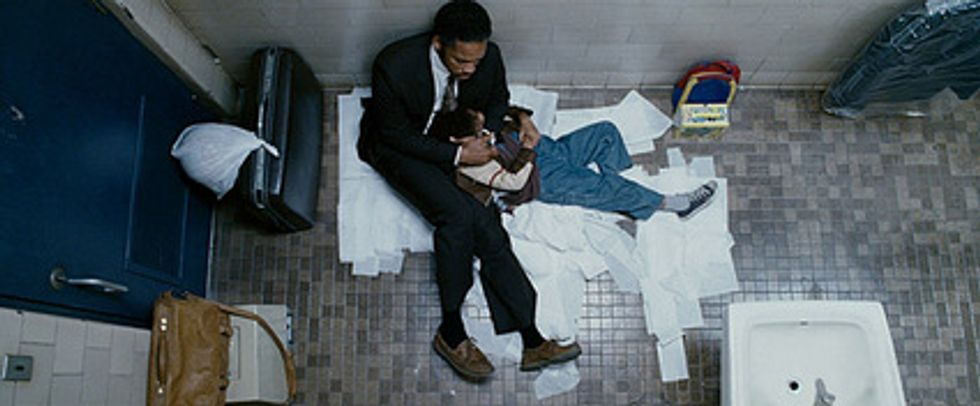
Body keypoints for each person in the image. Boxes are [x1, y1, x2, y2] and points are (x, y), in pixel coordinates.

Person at [356, 0, 580, 381]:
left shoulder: (487, 57)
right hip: (403, 148)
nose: (470, 69)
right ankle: (451, 331)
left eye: (475, 61)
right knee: (457, 216)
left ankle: (532, 337)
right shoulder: (394, 65)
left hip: (455, 137)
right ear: (438, 43)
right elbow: (393, 135)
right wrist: (459, 155)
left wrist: (486, 135)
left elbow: (496, 98)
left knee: (490, 229)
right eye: (461, 61)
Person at [427, 107, 719, 220]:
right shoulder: (471, 166)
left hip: (550, 150)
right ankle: (678, 205)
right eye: (479, 134)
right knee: (606, 187)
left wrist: (524, 120)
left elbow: (507, 110)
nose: (487, 135)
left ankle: (618, 193)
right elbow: (514, 182)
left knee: (605, 132)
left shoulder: (474, 124)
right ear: (457, 141)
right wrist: (527, 149)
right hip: (541, 178)